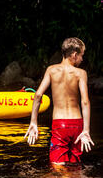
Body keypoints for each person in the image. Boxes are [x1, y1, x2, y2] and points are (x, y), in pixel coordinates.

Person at [24, 37, 94, 165]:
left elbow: (38, 95)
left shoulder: (51, 70)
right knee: (75, 164)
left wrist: (33, 122)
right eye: (81, 56)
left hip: (59, 125)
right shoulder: (81, 73)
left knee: (57, 165)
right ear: (74, 55)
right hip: (77, 124)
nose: (82, 59)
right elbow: (85, 101)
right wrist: (86, 130)